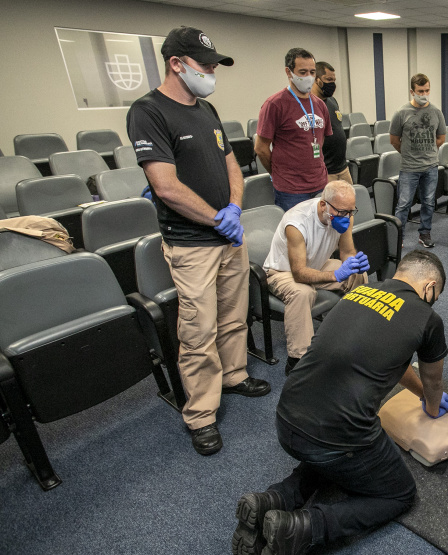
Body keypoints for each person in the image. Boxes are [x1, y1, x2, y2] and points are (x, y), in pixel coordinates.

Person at [231, 251, 448, 555]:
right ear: (429, 287)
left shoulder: (358, 292)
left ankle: (274, 500)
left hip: (287, 417)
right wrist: (431, 404)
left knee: (334, 458)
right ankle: (301, 529)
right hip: (333, 438)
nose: (432, 302)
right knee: (399, 494)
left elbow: (394, 358)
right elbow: (434, 382)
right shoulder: (428, 318)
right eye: (435, 296)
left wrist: (419, 394)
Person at [126, 26, 270, 456]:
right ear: (177, 63)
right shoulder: (148, 111)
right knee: (198, 330)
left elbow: (231, 165)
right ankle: (202, 414)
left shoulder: (205, 108)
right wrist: (214, 220)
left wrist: (234, 209)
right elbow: (165, 187)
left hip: (229, 234)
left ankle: (235, 375)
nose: (211, 72)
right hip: (192, 243)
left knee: (233, 314)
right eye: (205, 65)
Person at [262, 181, 370, 376]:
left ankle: (351, 333)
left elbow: (346, 251)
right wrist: (336, 275)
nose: (347, 217)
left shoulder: (344, 215)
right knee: (302, 292)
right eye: (342, 212)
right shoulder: (297, 222)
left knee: (359, 275)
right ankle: (298, 359)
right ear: (323, 205)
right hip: (282, 272)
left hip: (317, 263)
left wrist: (354, 263)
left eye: (351, 212)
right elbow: (299, 273)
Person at [255, 48, 333, 211]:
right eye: (302, 72)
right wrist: (278, 172)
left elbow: (320, 139)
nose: (308, 77)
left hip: (319, 184)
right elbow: (261, 148)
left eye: (312, 72)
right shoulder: (275, 104)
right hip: (291, 190)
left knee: (320, 232)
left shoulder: (319, 104)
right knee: (295, 235)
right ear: (289, 72)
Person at [390, 73, 447, 248]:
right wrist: (408, 153)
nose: (424, 94)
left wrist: (428, 152)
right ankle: (398, 237)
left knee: (429, 202)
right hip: (409, 167)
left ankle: (424, 233)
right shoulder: (401, 113)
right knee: (404, 203)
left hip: (430, 166)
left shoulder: (436, 112)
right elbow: (394, 140)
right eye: (420, 91)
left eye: (427, 90)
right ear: (412, 92)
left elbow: (441, 138)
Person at [312, 61, 351, 184]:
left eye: (333, 80)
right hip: (326, 172)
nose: (332, 84)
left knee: (350, 202)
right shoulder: (309, 105)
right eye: (328, 79)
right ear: (316, 80)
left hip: (342, 168)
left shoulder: (332, 101)